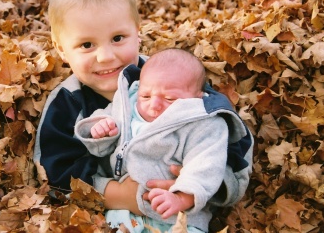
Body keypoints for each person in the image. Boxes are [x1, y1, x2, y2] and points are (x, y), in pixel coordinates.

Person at [33, 0, 253, 217]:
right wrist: (119, 195)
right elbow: (54, 171)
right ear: (61, 49)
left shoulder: (171, 76)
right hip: (110, 214)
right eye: (87, 45)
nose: (105, 56)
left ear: (138, 32)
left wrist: (203, 186)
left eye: (118, 38)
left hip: (184, 209)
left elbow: (229, 132)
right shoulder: (68, 102)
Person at [75, 49, 237, 232]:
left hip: (177, 216)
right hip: (124, 211)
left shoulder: (204, 124)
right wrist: (102, 130)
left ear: (197, 97)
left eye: (170, 98)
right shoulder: (127, 104)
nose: (154, 105)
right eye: (145, 96)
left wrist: (183, 197)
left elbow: (206, 164)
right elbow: (102, 137)